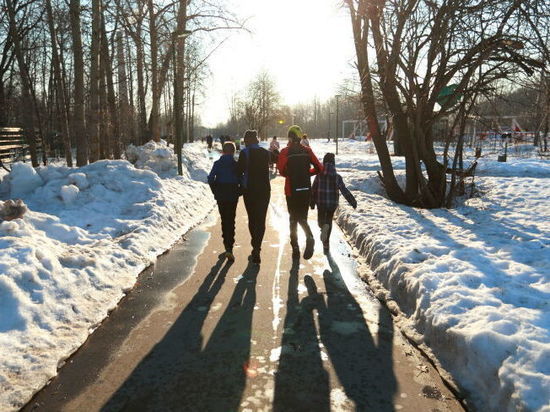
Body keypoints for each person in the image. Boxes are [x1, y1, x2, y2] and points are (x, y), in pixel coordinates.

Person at [277, 125, 323, 260]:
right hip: (305, 189)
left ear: (290, 137)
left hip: (291, 189)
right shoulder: (307, 150)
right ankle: (309, 236)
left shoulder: (285, 152)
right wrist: (307, 173)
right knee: (302, 217)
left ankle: (295, 248)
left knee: (293, 218)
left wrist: (291, 174)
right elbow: (319, 168)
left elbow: (281, 170)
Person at [310, 153, 357, 254]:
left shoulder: (319, 175)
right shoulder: (337, 177)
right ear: (333, 163)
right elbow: (344, 190)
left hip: (321, 203)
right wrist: (352, 201)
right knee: (329, 221)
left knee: (320, 222)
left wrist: (312, 202)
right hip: (332, 204)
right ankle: (326, 245)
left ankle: (323, 226)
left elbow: (313, 189)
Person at [237, 129, 271, 264]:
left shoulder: (245, 153)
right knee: (261, 219)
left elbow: (238, 171)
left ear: (248, 140)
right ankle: (258, 247)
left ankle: (255, 245)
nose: (244, 143)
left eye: (245, 140)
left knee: (252, 218)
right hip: (264, 190)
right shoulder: (265, 153)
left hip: (250, 190)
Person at [207, 141, 240, 261]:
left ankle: (226, 242)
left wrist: (215, 191)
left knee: (224, 218)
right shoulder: (236, 165)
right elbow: (241, 180)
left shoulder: (217, 164)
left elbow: (210, 178)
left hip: (221, 193)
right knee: (231, 219)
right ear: (233, 152)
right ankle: (229, 246)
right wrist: (239, 191)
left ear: (223, 151)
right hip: (232, 194)